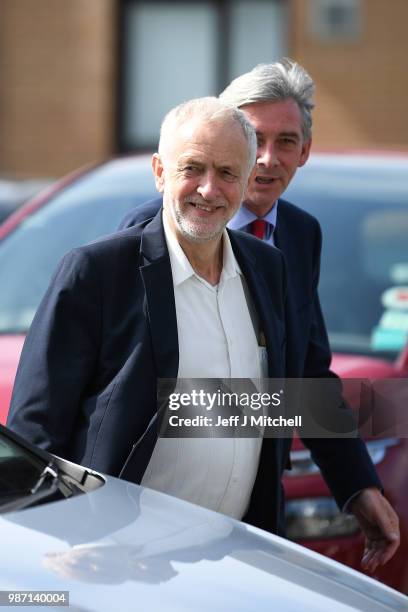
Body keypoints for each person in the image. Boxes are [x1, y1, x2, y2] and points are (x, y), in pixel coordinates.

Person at [116, 60, 399, 572]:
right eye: (253, 138)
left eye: (286, 141)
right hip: (150, 517)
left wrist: (357, 486)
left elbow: (306, 373)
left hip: (254, 515)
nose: (267, 159)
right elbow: (119, 388)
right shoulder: (149, 231)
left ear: (306, 151)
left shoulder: (300, 236)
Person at [8, 97, 290, 533]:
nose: (209, 189)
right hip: (118, 563)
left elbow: (260, 407)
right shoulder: (98, 274)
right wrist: (55, 546)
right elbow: (34, 430)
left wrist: (360, 477)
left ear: (249, 178)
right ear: (160, 172)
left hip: (237, 559)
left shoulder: (268, 270)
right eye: (192, 168)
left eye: (228, 173)